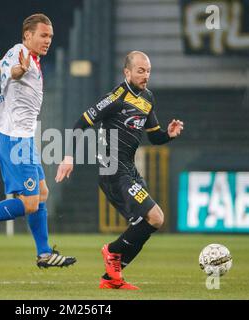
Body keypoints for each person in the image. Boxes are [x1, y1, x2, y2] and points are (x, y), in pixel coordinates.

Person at [0, 14, 76, 268]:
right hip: (14, 139)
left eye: (50, 36)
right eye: (43, 35)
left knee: (41, 193)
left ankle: (44, 253)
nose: (48, 41)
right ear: (27, 36)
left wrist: (8, 68)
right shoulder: (22, 54)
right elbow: (13, 70)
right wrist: (17, 71)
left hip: (22, 138)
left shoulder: (24, 55)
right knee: (30, 202)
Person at [55, 51, 184, 289]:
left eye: (148, 71)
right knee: (156, 217)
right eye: (140, 71)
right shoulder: (115, 97)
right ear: (127, 72)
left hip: (129, 169)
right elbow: (80, 124)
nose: (146, 76)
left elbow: (154, 138)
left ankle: (112, 278)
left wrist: (169, 135)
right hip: (113, 170)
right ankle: (112, 251)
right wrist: (68, 156)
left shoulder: (148, 98)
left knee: (149, 223)